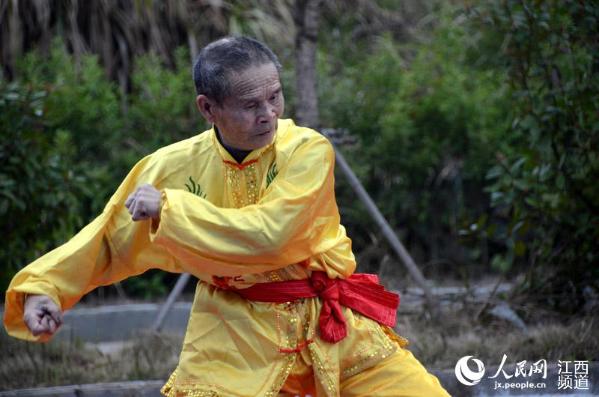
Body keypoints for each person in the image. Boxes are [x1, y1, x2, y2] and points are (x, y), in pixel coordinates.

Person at [4, 36, 450, 397]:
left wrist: (173, 210)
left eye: (275, 97)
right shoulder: (168, 168)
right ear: (208, 108)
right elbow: (110, 238)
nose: (268, 114)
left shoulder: (307, 150)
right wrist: (47, 289)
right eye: (251, 104)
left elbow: (273, 238)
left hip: (330, 325)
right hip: (229, 337)